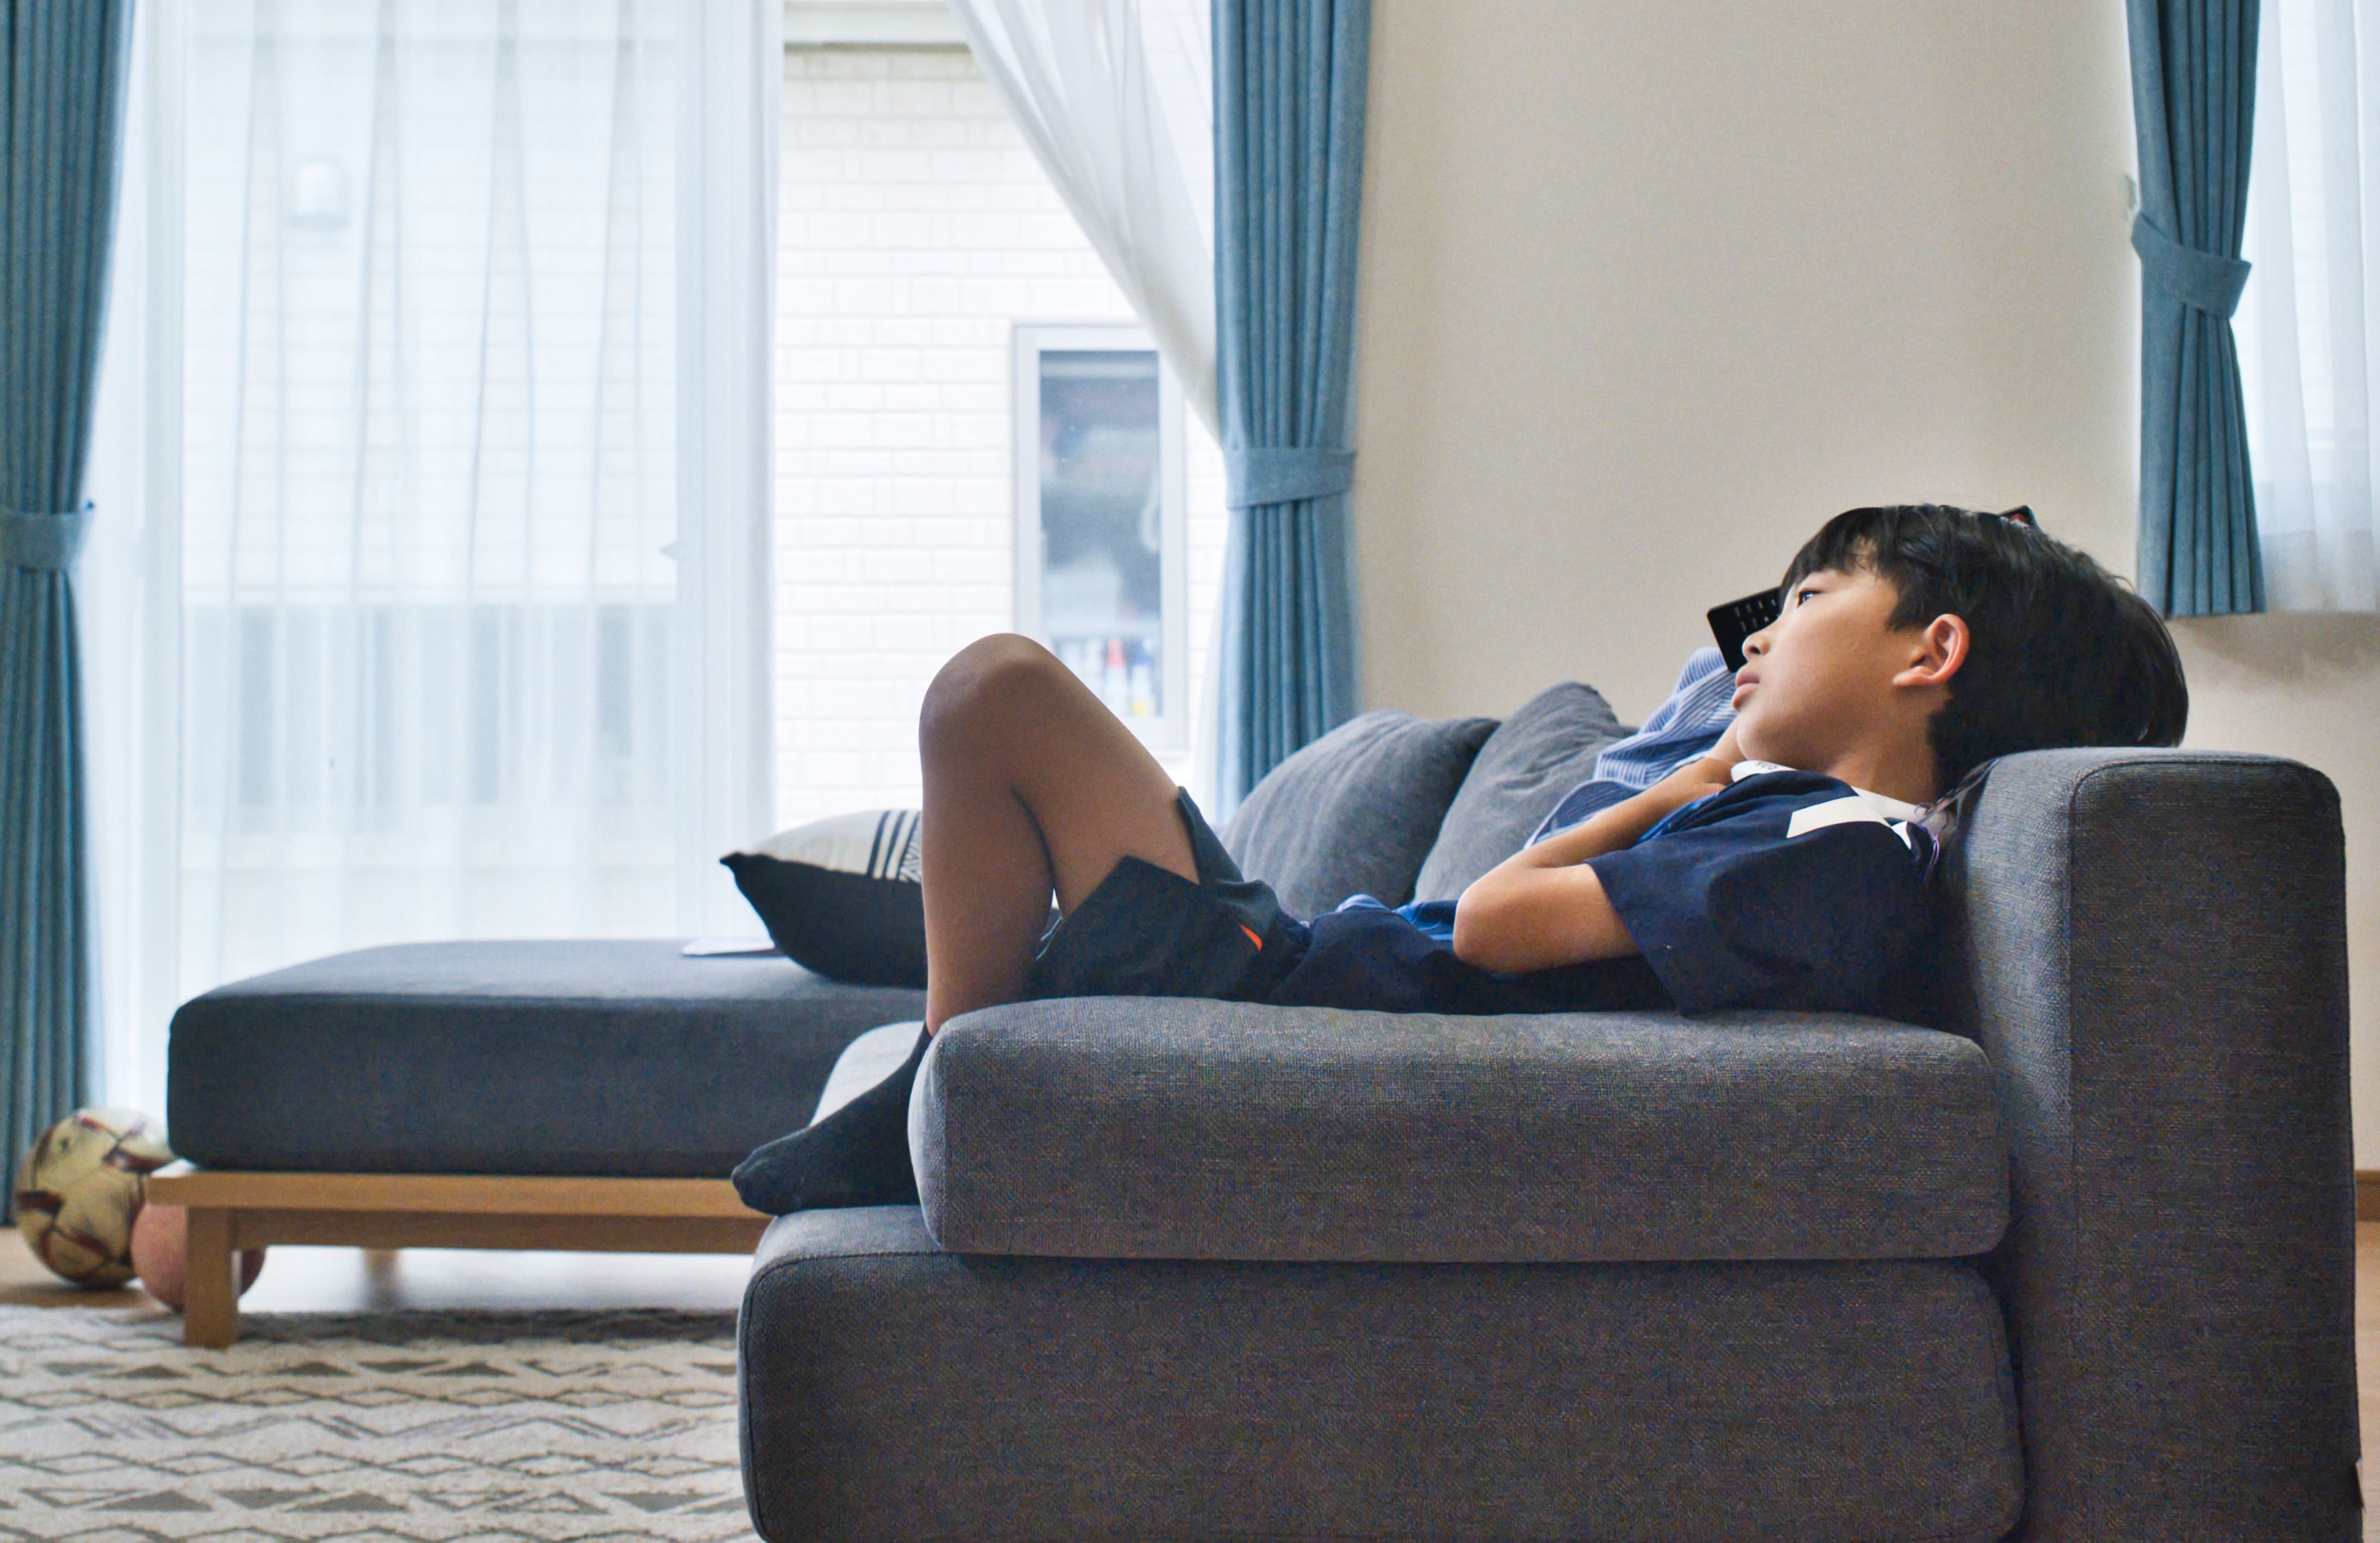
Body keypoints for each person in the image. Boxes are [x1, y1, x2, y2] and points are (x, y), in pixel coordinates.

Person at [733, 503, 2188, 1216]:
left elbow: (1494, 919)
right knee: (989, 700)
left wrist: (1698, 771)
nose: (1758, 635)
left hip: (1292, 996)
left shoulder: (1829, 850)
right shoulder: (1820, 836)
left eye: (1807, 598)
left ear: (1931, 653)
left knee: (993, 692)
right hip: (1301, 970)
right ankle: (950, 1071)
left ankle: (946, 1071)